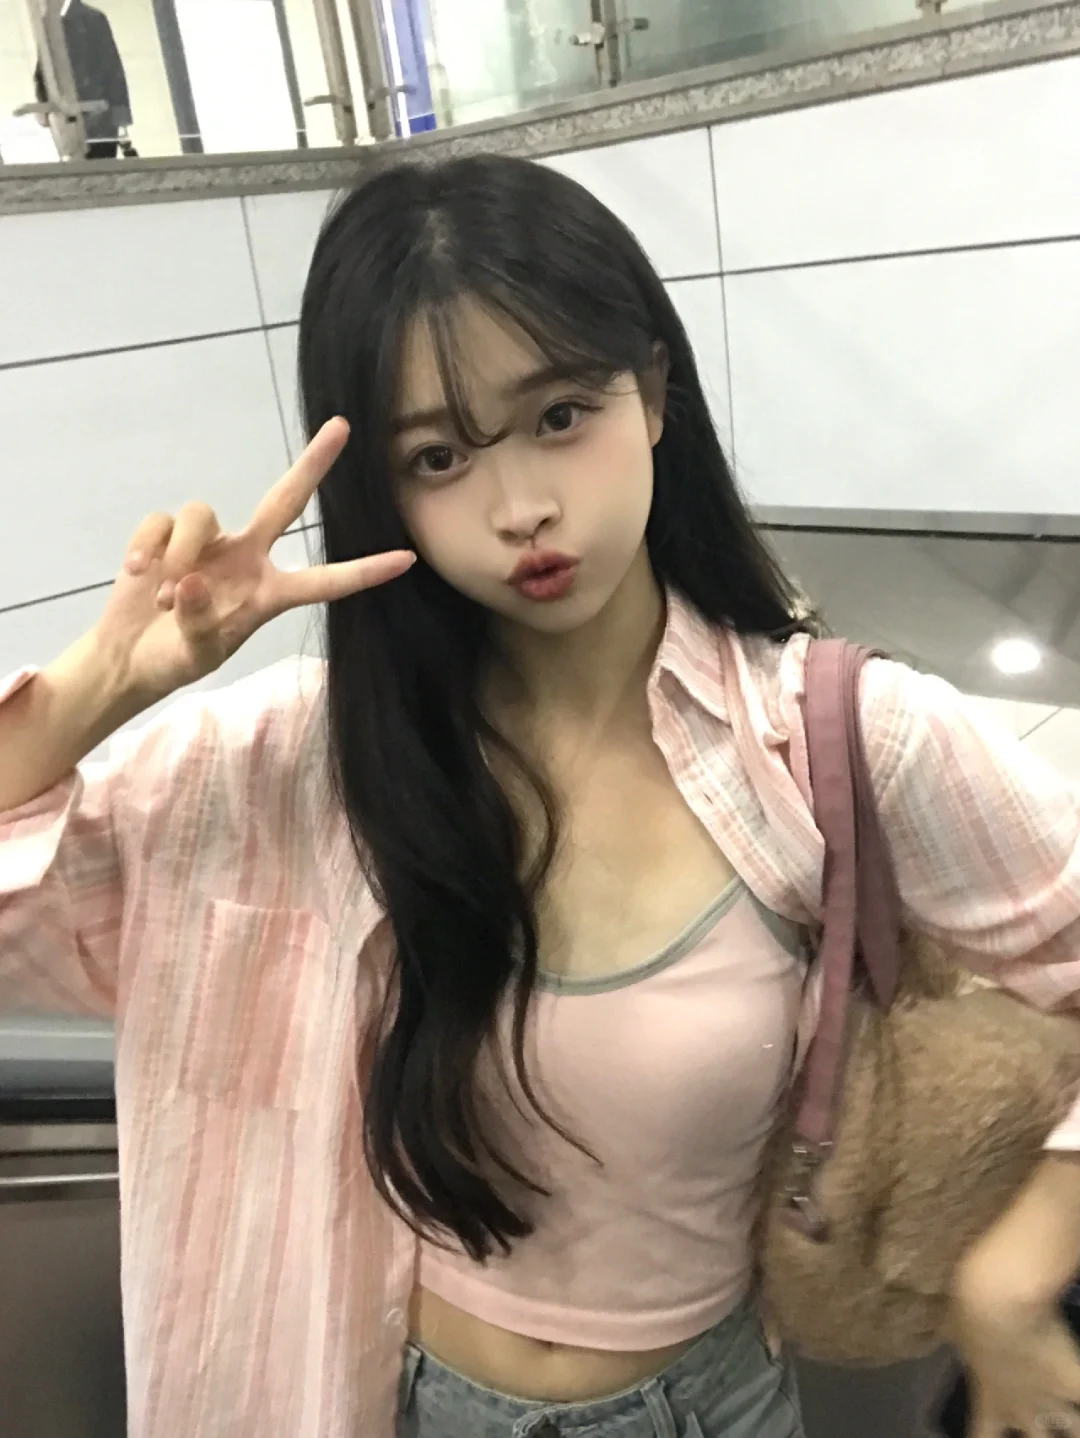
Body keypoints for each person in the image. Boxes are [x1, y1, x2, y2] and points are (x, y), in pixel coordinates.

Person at [2, 155, 1080, 1438]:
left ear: (655, 393)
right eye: (440, 455)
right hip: (392, 1399)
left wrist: (1017, 1264)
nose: (520, 509)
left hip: (705, 1409)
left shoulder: (828, 738)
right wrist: (96, 690)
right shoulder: (304, 764)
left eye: (561, 415)